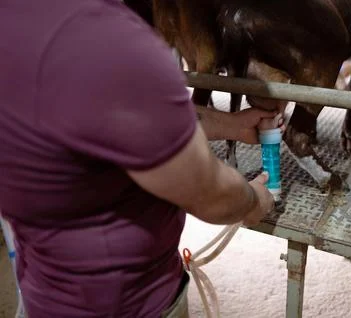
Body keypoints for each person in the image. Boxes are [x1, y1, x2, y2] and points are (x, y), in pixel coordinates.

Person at [0, 0, 284, 317]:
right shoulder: (106, 40)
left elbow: (115, 114)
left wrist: (232, 125)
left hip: (41, 292)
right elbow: (212, 193)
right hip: (129, 305)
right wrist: (253, 200)